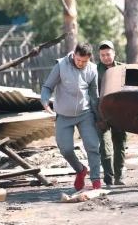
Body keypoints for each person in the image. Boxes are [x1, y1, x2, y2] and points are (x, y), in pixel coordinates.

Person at [40, 42, 102, 190]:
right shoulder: (61, 65)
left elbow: (94, 96)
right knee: (65, 149)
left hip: (85, 114)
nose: (81, 63)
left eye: (84, 61)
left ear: (89, 58)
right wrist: (44, 101)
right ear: (74, 53)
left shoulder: (93, 69)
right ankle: (80, 170)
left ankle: (96, 181)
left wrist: (99, 117)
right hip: (63, 115)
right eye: (78, 60)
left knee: (93, 146)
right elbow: (48, 86)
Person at [96, 40, 127, 186]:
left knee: (119, 144)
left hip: (120, 113)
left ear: (114, 53)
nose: (106, 57)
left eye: (108, 54)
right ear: (99, 55)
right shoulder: (94, 71)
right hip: (102, 113)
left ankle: (119, 177)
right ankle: (108, 175)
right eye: (102, 55)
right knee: (104, 145)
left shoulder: (123, 68)